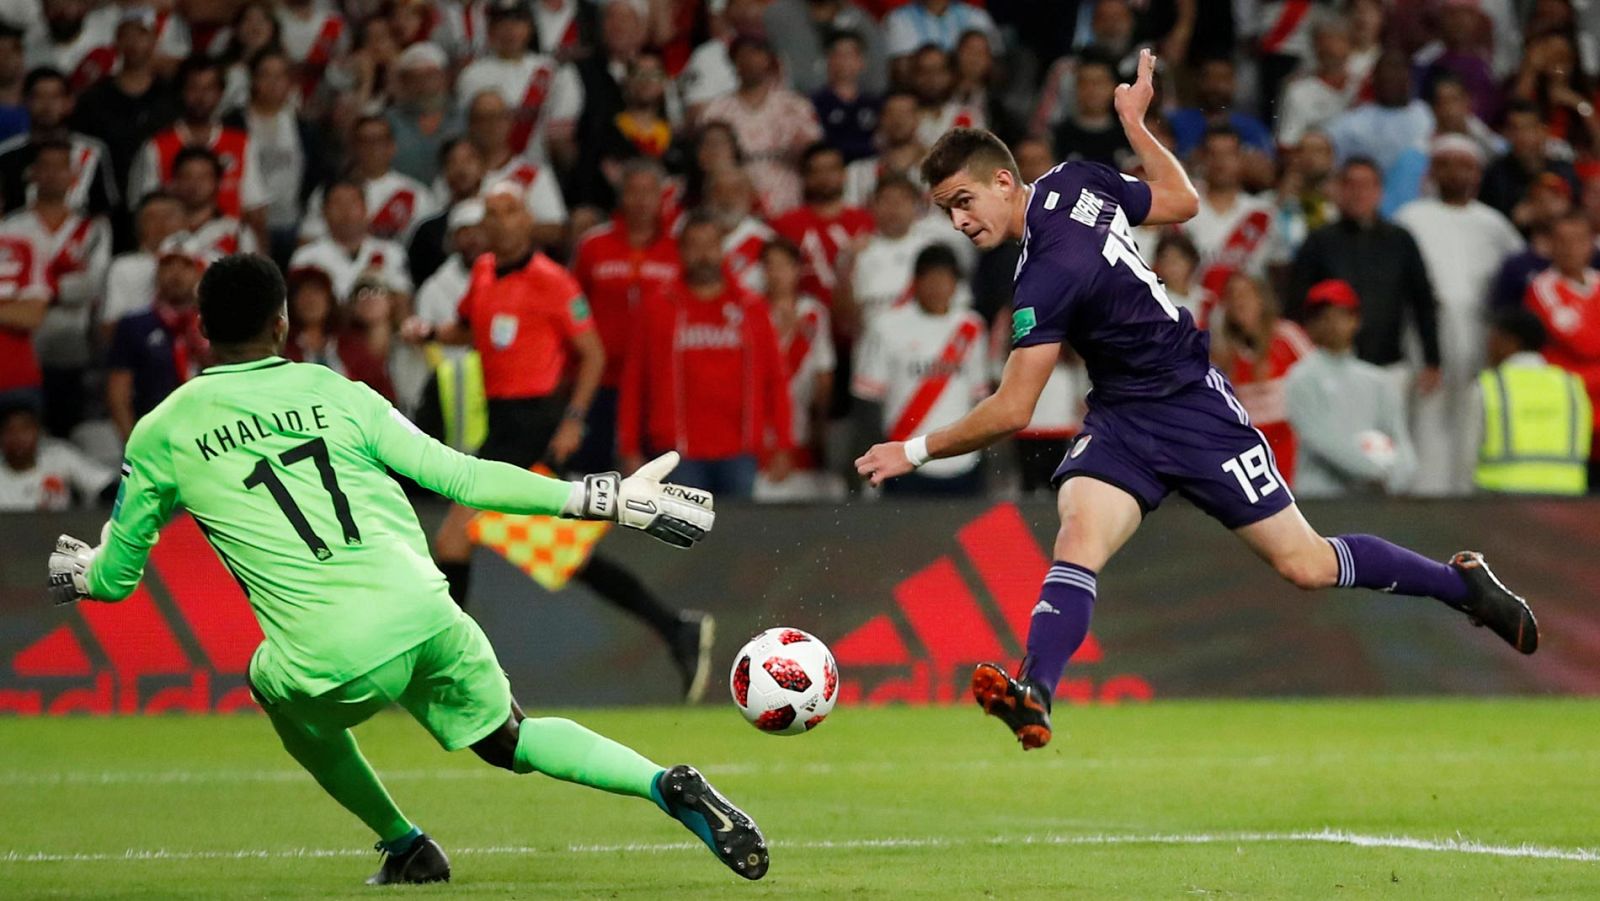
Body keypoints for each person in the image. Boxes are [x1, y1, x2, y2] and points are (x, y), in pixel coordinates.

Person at [854, 51, 1539, 754]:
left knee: (1304, 564)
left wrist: (913, 448)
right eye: (946, 211)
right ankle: (1037, 689)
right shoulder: (1075, 178)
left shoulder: (1044, 278)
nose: (959, 221)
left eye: (963, 202)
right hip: (1121, 415)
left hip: (1192, 405)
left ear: (1003, 181)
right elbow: (1180, 200)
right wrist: (1136, 126)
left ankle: (1460, 585)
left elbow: (1012, 409)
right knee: (1078, 535)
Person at [45, 253, 766, 886]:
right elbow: (463, 477)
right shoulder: (338, 392)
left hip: (333, 656)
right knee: (511, 738)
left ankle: (406, 843)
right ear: (283, 322)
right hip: (427, 611)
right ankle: (661, 782)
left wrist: (78, 569)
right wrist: (596, 495)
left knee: (268, 678)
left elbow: (115, 580)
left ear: (200, 329)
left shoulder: (163, 430)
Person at [402, 181, 604, 605]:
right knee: (565, 555)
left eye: (510, 210)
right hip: (501, 423)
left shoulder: (555, 282)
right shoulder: (483, 272)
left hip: (535, 422)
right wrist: (430, 333)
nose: (501, 220)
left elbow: (594, 354)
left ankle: (452, 657)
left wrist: (574, 420)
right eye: (492, 212)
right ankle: (676, 627)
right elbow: (468, 330)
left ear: (528, 219)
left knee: (454, 539)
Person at [618, 212, 793, 498]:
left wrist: (784, 444)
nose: (703, 255)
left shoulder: (751, 308)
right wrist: (629, 448)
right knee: (685, 536)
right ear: (681, 251)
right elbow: (634, 381)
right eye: (694, 246)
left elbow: (776, 378)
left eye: (710, 245)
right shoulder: (657, 307)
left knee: (736, 537)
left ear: (722, 249)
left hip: (740, 451)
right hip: (677, 452)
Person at [1395, 135, 1524, 496]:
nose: (1457, 173)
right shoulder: (1411, 217)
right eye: (1447, 164)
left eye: (1466, 165)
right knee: (1427, 413)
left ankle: (1466, 491)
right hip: (1423, 336)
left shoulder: (1494, 225)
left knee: (1473, 411)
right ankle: (1425, 491)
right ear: (1433, 171)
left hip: (1480, 335)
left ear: (1478, 174)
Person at [1288, 157, 1442, 394]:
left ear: (1379, 192)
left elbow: (1423, 300)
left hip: (1388, 367)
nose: (1358, 193)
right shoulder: (1319, 241)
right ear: (1338, 190)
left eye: (1366, 185)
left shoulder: (1400, 240)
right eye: (1350, 185)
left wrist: (1433, 359)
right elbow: (1297, 304)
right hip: (1331, 368)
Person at [569, 159, 680, 473]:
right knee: (596, 471)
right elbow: (572, 308)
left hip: (657, 383)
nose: (642, 201)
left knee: (655, 473)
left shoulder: (678, 249)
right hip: (600, 380)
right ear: (620, 196)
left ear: (662, 197)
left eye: (650, 192)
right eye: (634, 192)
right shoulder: (593, 245)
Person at [852, 244, 989, 496]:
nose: (938, 286)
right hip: (904, 461)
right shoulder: (886, 326)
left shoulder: (972, 327)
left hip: (963, 462)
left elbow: (980, 398)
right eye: (930, 278)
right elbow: (868, 401)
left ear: (956, 283)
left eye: (945, 278)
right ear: (915, 281)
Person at [0, 138, 111, 438]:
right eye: (44, 167)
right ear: (31, 174)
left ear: (74, 176)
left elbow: (92, 284)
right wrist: (57, 285)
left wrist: (32, 293)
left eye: (61, 168)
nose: (52, 174)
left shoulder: (94, 229)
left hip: (73, 344)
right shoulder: (10, 227)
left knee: (67, 430)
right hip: (18, 347)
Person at [1285, 279, 1417, 499]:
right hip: (1319, 501)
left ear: (1356, 320)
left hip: (1371, 502)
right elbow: (1321, 439)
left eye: (1341, 314)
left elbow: (1400, 439)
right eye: (1322, 316)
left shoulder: (1378, 380)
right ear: (1309, 325)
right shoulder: (1300, 378)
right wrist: (1377, 472)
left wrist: (1400, 475)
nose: (1332, 323)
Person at [1470, 307, 1591, 496]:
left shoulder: (1488, 387)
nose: (1488, 346)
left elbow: (1466, 454)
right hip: (1568, 502)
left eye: (1493, 338)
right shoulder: (1572, 386)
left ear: (1509, 342)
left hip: (1500, 504)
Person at [702, 35, 822, 217]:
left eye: (757, 53)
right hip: (735, 202)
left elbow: (816, 155)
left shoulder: (795, 105)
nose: (751, 60)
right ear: (733, 61)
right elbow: (706, 159)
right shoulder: (717, 109)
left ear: (768, 59)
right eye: (744, 54)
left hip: (788, 199)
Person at [1209, 273, 1313, 486]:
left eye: (1246, 293)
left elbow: (1318, 379)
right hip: (1251, 453)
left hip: (1294, 447)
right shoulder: (1224, 354)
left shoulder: (1288, 335)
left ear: (1262, 299)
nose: (1239, 301)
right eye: (1233, 295)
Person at [755, 238, 837, 501]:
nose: (776, 274)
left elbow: (824, 371)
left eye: (783, 266)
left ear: (797, 270)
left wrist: (820, 422)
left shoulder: (813, 313)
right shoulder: (750, 312)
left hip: (800, 419)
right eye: (770, 266)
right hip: (760, 421)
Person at [1523, 213, 1600, 489]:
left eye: (1579, 240)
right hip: (1572, 412)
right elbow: (1584, 343)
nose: (1571, 248)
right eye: (1562, 241)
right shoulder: (1543, 289)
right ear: (1551, 245)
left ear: (1591, 244)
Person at [105, 241, 209, 440]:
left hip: (212, 434)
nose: (175, 274)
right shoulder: (133, 325)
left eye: (186, 266)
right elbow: (118, 394)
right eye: (167, 265)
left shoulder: (217, 325)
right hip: (156, 436)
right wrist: (133, 445)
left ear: (199, 272)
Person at [771, 142, 876, 310]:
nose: (825, 177)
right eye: (817, 171)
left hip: (858, 319)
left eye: (832, 169)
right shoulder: (784, 225)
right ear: (805, 177)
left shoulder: (866, 221)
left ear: (844, 174)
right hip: (806, 320)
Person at [1183, 125, 1282, 297]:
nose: (1221, 162)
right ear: (1202, 158)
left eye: (1229, 154)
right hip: (1195, 314)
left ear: (1241, 158)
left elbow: (1277, 273)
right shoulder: (1183, 211)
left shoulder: (1263, 214)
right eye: (1213, 154)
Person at [288, 180, 412, 302]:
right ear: (324, 212)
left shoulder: (392, 252)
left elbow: (402, 301)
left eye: (352, 202)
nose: (345, 210)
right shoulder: (306, 257)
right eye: (337, 203)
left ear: (366, 209)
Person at [0, 399, 114, 511]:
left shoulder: (59, 456)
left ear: (39, 431)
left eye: (25, 428)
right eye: (10, 429)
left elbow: (105, 485)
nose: (18, 437)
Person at [811, 31, 880, 164]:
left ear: (862, 61)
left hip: (869, 168)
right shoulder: (814, 103)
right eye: (837, 55)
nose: (844, 61)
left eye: (850, 55)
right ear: (827, 60)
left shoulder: (875, 104)